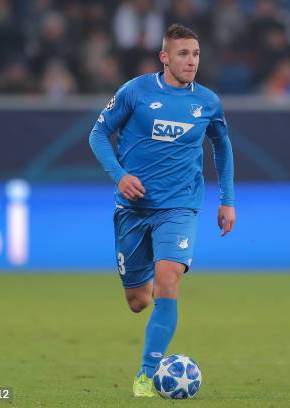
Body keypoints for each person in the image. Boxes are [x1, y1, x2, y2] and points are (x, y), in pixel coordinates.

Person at [88, 23, 235, 398]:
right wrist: (119, 176)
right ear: (164, 57)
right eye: (183, 54)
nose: (191, 61)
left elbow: (222, 146)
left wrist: (227, 200)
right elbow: (98, 134)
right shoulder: (135, 91)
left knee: (169, 280)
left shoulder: (207, 102)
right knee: (138, 301)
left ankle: (147, 374)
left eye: (196, 54)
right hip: (133, 210)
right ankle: (154, 303)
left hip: (180, 207)